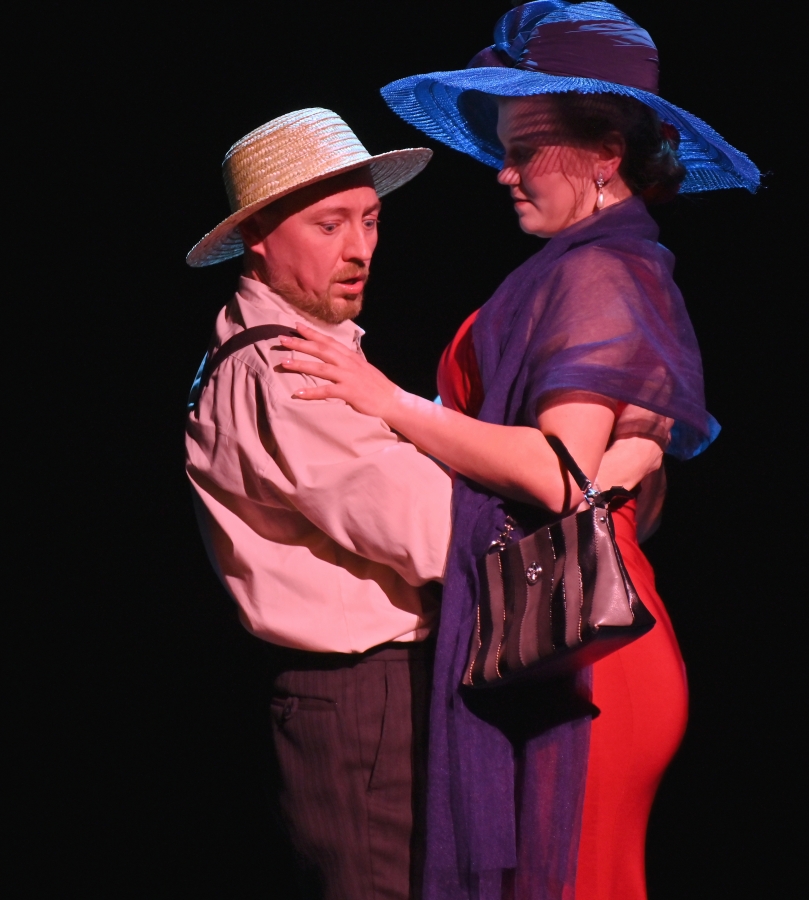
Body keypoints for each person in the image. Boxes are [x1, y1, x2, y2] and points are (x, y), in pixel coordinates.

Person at [278, 4, 760, 899]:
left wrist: (389, 403)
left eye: (527, 148)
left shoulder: (600, 271)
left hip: (584, 655)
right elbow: (616, 483)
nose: (502, 172)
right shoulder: (599, 265)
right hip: (573, 635)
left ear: (605, 153)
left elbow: (557, 474)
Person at [183, 105, 665, 899]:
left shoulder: (316, 353)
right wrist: (606, 470)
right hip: (363, 701)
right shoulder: (287, 372)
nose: (360, 248)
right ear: (259, 236)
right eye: (329, 225)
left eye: (370, 219)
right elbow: (443, 534)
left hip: (393, 688)